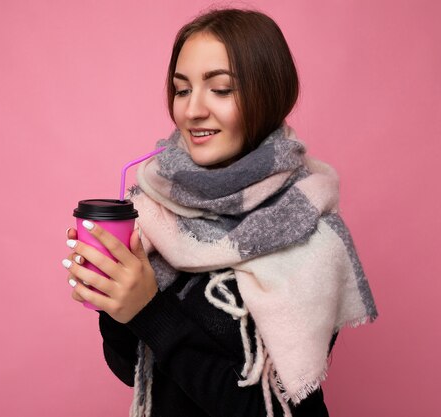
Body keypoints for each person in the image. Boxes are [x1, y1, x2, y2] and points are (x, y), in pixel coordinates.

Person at [63, 8, 377, 417]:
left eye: (221, 89)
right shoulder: (156, 208)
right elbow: (135, 370)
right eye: (181, 90)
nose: (192, 110)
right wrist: (115, 299)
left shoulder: (307, 227)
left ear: (269, 93)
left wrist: (148, 309)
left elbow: (272, 409)